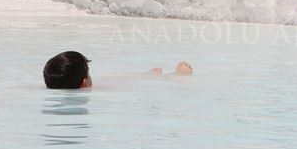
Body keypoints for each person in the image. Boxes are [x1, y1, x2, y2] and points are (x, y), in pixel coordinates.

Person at [43, 51, 193, 89]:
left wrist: (145, 75)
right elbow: (124, 83)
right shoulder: (91, 91)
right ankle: (179, 75)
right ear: (84, 83)